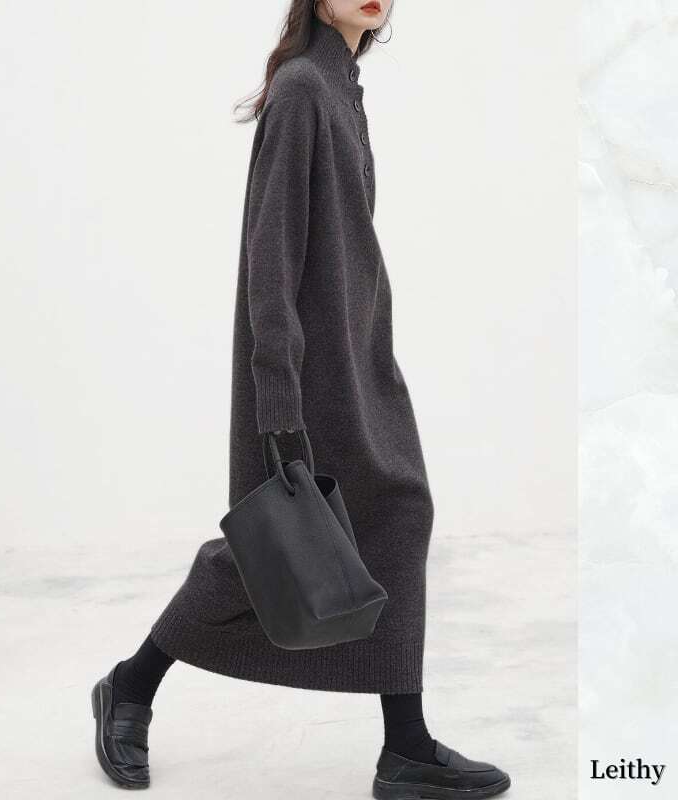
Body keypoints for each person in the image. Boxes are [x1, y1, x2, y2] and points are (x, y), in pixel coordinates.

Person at [91, 2, 511, 797]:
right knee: (272, 548)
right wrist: (278, 396)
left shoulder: (340, 87)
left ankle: (405, 746)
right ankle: (132, 684)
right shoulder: (302, 90)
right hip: (308, 372)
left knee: (394, 516)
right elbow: (271, 256)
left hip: (358, 361)